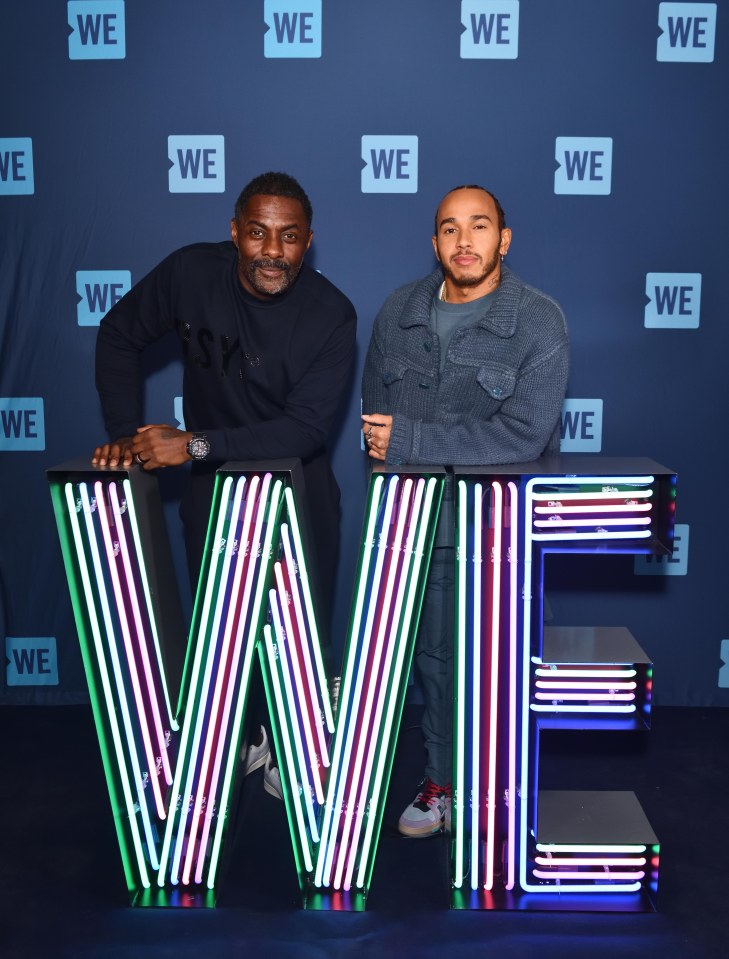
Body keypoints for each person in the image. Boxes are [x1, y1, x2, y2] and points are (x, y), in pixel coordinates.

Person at [92, 171, 357, 797]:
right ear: (234, 232)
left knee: (298, 632)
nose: (273, 252)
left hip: (298, 487)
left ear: (309, 241)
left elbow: (304, 432)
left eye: (289, 237)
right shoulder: (190, 273)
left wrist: (192, 445)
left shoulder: (331, 315)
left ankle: (298, 743)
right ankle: (237, 738)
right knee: (221, 632)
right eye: (259, 233)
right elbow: (118, 334)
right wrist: (126, 434)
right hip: (216, 488)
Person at [361, 184, 568, 837]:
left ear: (502, 239)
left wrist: (409, 443)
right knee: (419, 663)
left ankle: (488, 791)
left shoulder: (537, 321)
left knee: (486, 669)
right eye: (449, 228)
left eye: (478, 226)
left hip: (494, 532)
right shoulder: (398, 310)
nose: (464, 240)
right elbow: (375, 429)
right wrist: (390, 499)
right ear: (435, 243)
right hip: (412, 525)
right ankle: (427, 778)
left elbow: (521, 437)